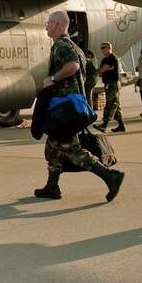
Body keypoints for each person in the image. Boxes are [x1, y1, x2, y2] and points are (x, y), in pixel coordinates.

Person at [35, 12, 125, 202]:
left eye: (48, 23)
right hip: (72, 106)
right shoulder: (76, 47)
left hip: (65, 109)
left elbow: (74, 66)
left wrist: (52, 79)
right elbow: (89, 74)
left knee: (72, 149)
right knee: (53, 146)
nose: (46, 27)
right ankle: (52, 186)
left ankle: (110, 176)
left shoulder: (61, 46)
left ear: (56, 24)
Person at [93, 42, 126, 132]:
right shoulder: (105, 60)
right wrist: (102, 70)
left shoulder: (112, 58)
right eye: (101, 48)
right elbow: (101, 71)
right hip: (108, 84)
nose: (102, 50)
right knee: (115, 105)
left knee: (110, 104)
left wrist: (103, 70)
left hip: (113, 84)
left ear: (109, 48)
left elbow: (102, 70)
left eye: (103, 47)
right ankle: (121, 125)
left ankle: (105, 124)